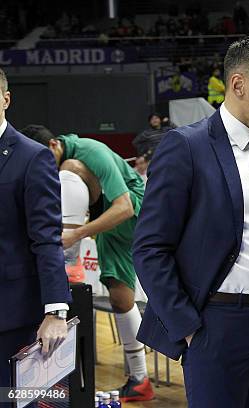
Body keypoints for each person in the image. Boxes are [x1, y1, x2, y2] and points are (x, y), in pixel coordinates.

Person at [132, 35, 249, 408]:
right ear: (238, 85)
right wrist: (186, 327)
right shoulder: (185, 146)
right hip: (217, 325)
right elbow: (150, 247)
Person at [23, 128, 152, 401]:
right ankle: (140, 380)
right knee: (120, 298)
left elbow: (125, 207)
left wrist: (76, 234)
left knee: (69, 170)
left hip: (136, 211)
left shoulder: (88, 151)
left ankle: (69, 262)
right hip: (109, 223)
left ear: (55, 143)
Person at [0, 69, 71, 403]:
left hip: (13, 316)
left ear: (5, 99)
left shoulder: (31, 156)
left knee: (14, 400)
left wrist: (55, 312)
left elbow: (46, 237)